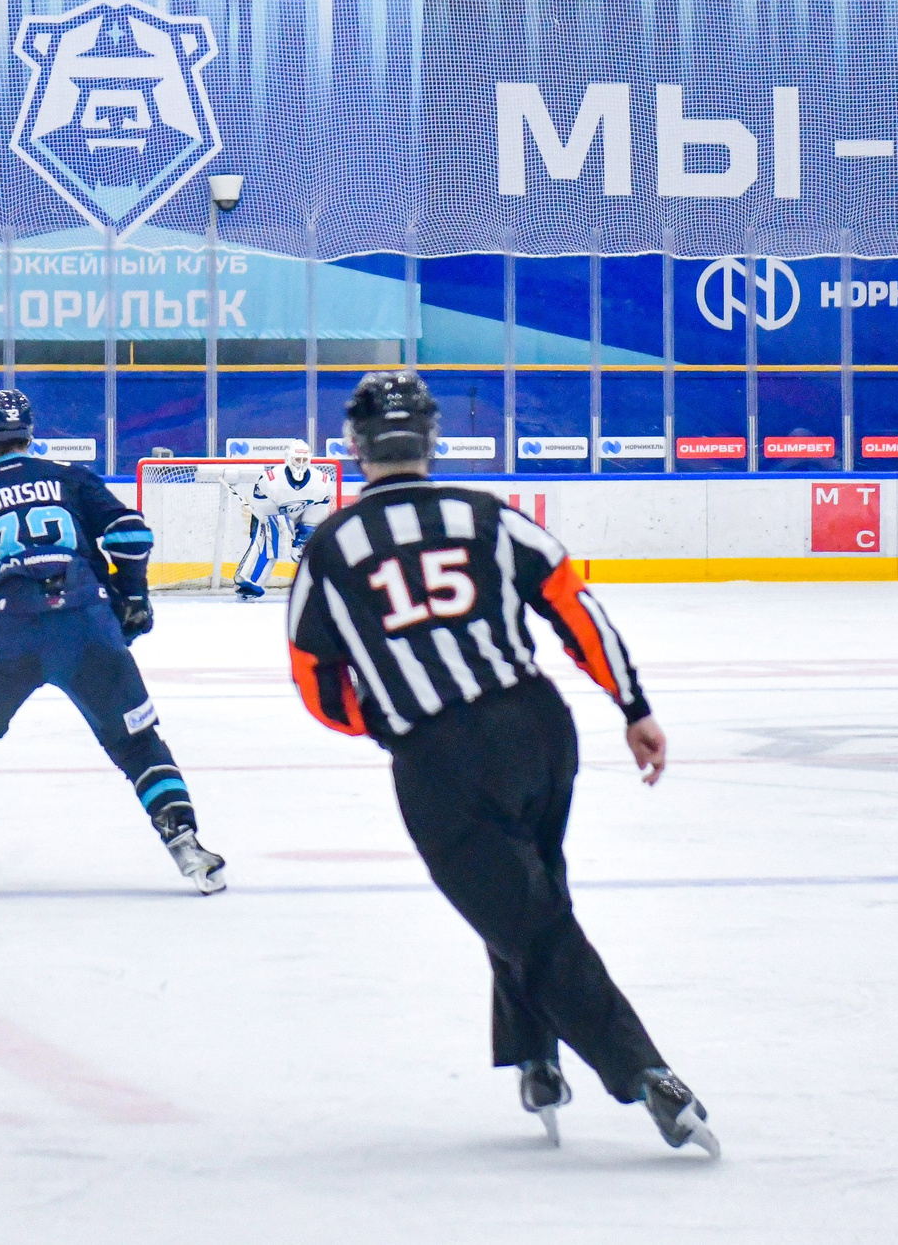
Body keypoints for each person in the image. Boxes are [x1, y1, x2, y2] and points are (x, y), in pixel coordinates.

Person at [285, 370, 719, 1159]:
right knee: (527, 893)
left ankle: (645, 1070)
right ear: (433, 438)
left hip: (437, 757)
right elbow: (577, 609)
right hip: (538, 731)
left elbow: (315, 682)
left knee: (530, 920)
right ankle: (536, 1057)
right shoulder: (487, 516)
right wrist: (633, 706)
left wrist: (388, 721)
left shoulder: (331, 544)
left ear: (352, 446)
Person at [0, 388, 224, 897]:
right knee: (138, 742)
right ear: (30, 431)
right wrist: (133, 598)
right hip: (88, 622)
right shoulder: (70, 478)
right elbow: (131, 534)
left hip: (13, 632)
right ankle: (189, 847)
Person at [234, 439, 334, 600]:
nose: (300, 464)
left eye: (304, 460)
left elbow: (317, 511)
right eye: (297, 459)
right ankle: (250, 585)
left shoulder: (321, 482)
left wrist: (304, 534)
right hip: (272, 515)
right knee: (270, 541)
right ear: (288, 459)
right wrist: (281, 527)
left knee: (307, 551)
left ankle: (322, 588)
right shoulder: (271, 480)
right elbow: (261, 507)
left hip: (302, 516)